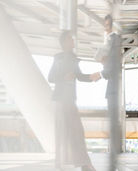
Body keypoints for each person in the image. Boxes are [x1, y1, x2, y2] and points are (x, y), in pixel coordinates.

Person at [48, 31, 95, 171]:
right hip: (61, 100)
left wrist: (92, 77)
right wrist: (64, 77)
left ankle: (83, 164)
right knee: (66, 133)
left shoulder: (73, 58)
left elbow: (78, 76)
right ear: (64, 43)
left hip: (69, 100)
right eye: (70, 39)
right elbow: (51, 77)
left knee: (76, 132)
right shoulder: (59, 58)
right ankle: (78, 164)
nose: (73, 42)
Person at [90, 14, 123, 171]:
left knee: (113, 126)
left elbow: (114, 66)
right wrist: (105, 62)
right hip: (112, 88)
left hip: (114, 89)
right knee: (113, 125)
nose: (106, 28)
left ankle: (113, 162)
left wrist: (101, 73)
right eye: (105, 25)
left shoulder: (115, 39)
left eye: (108, 25)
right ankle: (113, 161)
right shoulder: (111, 41)